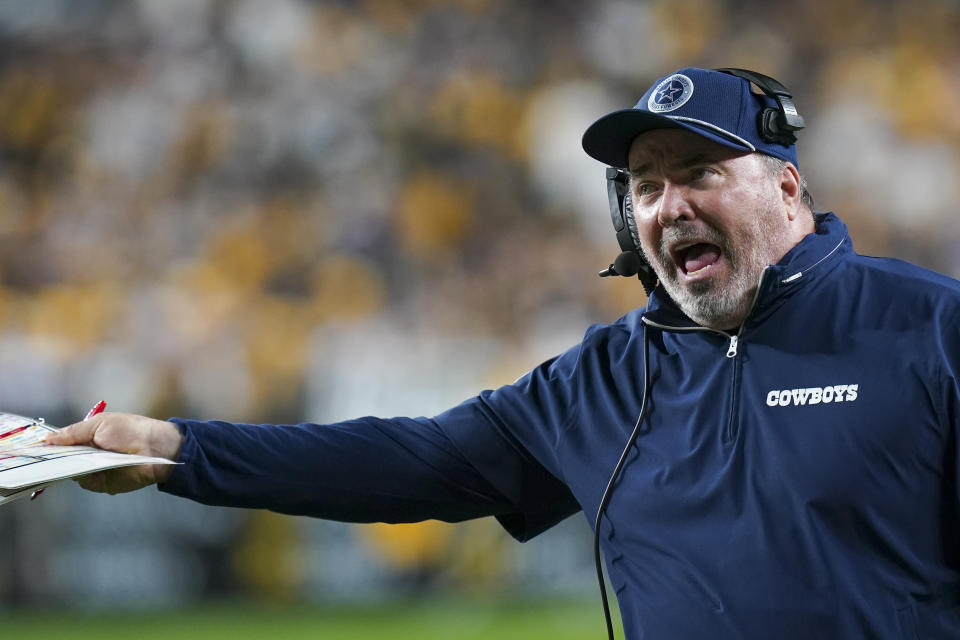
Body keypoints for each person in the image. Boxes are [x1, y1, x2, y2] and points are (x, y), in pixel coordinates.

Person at [48, 67, 960, 639]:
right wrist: (178, 451)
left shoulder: (926, 328)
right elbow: (410, 462)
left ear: (789, 189)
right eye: (645, 184)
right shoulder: (607, 379)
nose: (668, 204)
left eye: (701, 174)